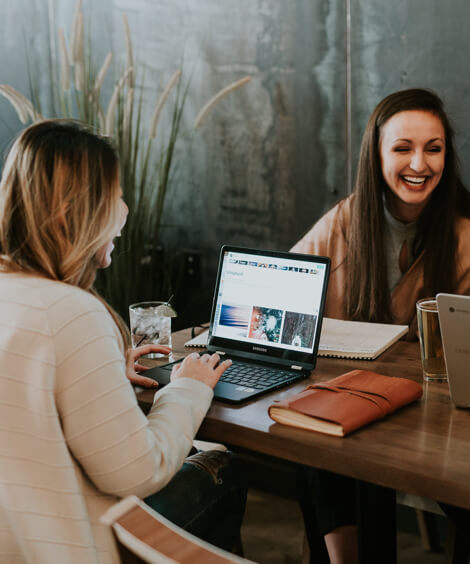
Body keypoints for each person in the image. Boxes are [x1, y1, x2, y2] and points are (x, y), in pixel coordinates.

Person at [0, 119, 246, 564]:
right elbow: (136, 471)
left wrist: (106, 372)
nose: (126, 209)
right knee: (224, 469)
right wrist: (186, 388)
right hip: (60, 547)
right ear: (72, 212)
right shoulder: (71, 312)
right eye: (114, 197)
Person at [291, 88, 470, 564]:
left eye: (433, 148)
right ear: (377, 154)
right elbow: (287, 283)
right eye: (403, 148)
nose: (419, 163)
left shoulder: (465, 233)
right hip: (356, 403)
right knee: (314, 438)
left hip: (440, 422)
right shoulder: (349, 218)